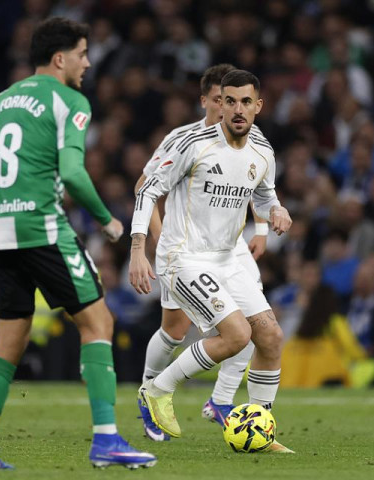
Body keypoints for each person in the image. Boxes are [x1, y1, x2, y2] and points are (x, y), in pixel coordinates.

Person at [0, 17, 155, 470]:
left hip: (0, 234)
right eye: (83, 54)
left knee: (10, 339)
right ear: (60, 58)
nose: (87, 63)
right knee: (98, 322)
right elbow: (73, 174)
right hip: (43, 228)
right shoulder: (70, 100)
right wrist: (106, 221)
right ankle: (106, 440)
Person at [129, 70, 293, 452]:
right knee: (233, 335)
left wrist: (277, 211)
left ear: (258, 106)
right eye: (229, 101)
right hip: (184, 257)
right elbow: (147, 190)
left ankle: (259, 430)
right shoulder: (192, 142)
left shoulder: (262, 149)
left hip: (227, 257)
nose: (237, 109)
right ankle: (156, 390)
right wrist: (138, 248)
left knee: (270, 336)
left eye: (245, 102)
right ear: (217, 103)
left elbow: (265, 194)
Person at [279, 285, 374, 388]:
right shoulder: (335, 322)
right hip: (326, 379)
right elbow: (350, 347)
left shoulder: (302, 324)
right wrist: (365, 355)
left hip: (295, 382)